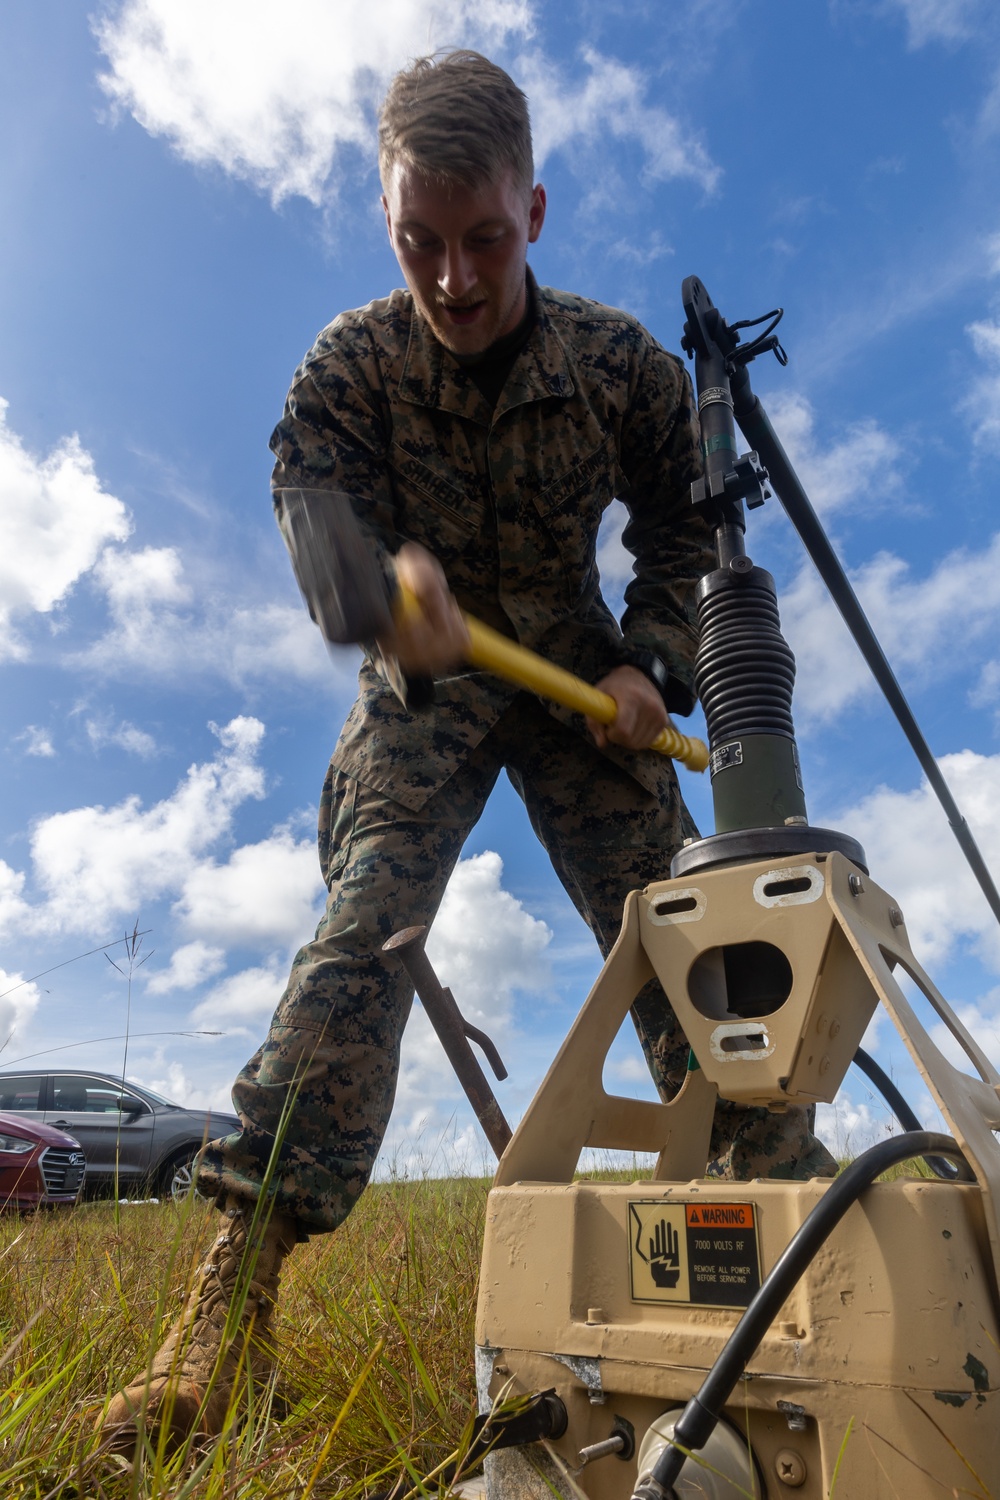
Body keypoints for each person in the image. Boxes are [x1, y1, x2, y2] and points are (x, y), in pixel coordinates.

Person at [100, 49, 836, 1458]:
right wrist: (378, 594)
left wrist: (648, 659)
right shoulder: (352, 364)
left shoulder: (617, 361)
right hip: (423, 680)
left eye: (483, 239)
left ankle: (791, 1268)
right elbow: (307, 496)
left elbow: (687, 524)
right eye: (419, 243)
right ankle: (217, 1337)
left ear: (535, 211)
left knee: (694, 938)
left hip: (568, 674)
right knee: (362, 928)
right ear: (390, 226)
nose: (452, 277)